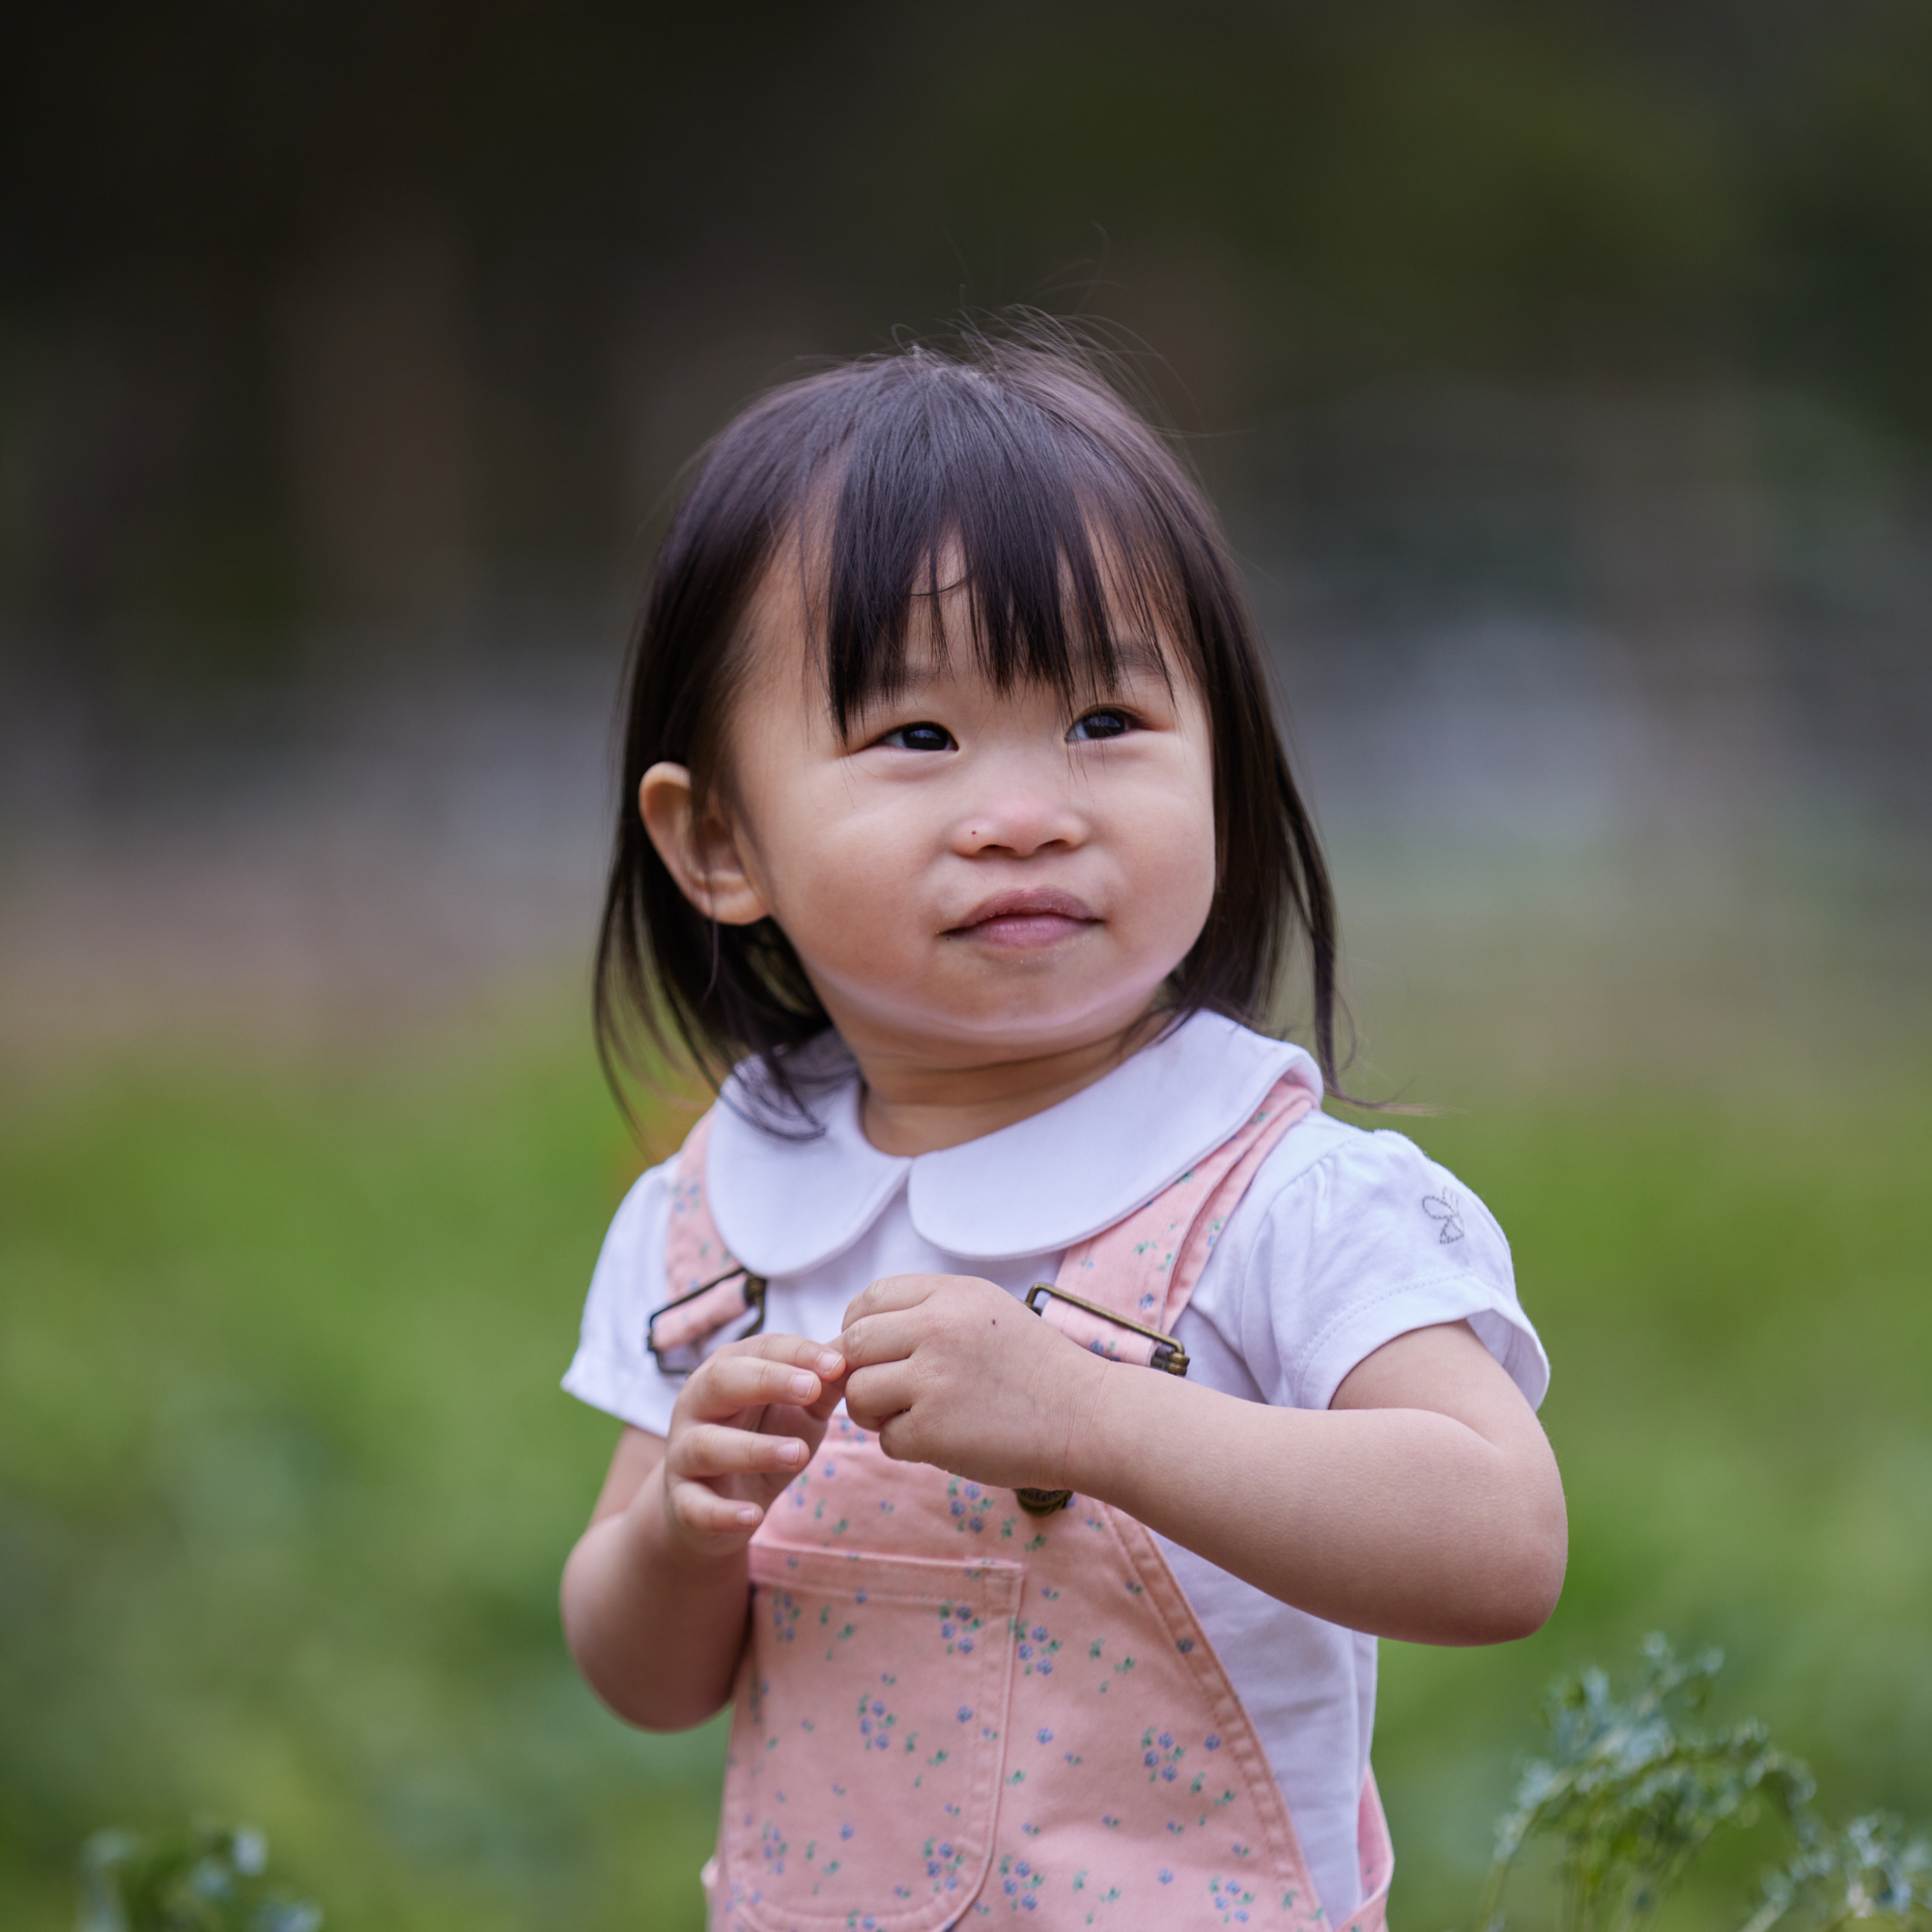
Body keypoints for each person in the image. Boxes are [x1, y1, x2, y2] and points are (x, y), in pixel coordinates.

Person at [559, 330, 1567, 1932]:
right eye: (917, 738)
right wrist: (682, 1527)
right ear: (721, 842)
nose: (1028, 809)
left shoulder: (1281, 1194)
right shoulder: (720, 1222)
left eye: (1105, 720)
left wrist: (1089, 1418)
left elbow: (1502, 1541)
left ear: (1224, 770)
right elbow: (643, 1681)